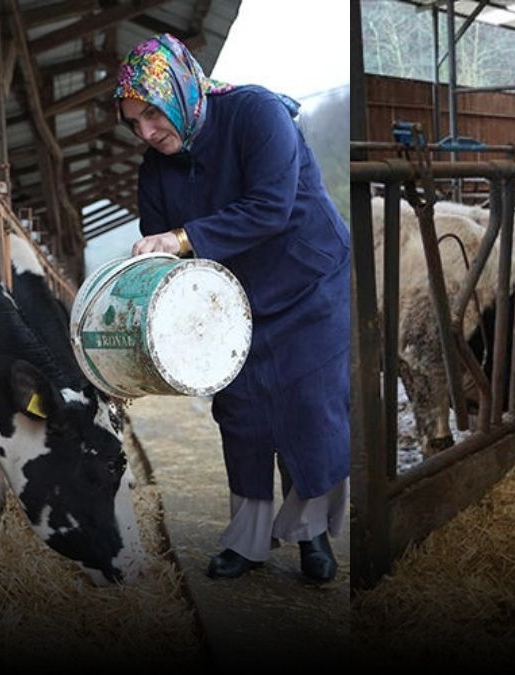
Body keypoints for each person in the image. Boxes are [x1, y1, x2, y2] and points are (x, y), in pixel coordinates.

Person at [113, 34, 349, 581]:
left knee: (309, 408)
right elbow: (160, 244)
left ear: (180, 90)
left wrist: (181, 237)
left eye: (151, 112)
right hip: (229, 300)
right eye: (134, 123)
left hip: (306, 281)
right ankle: (248, 540)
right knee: (241, 413)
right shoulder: (155, 168)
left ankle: (313, 537)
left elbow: (271, 207)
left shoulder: (256, 113)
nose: (146, 132)